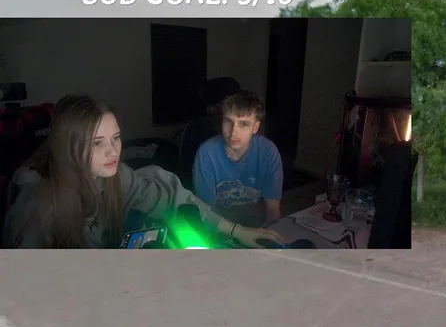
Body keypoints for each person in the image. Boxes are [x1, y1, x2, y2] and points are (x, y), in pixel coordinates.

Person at [1, 95, 281, 249]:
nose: (113, 151)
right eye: (97, 143)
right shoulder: (38, 206)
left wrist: (235, 230)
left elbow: (170, 197)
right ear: (68, 146)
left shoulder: (118, 176)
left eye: (116, 138)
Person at [193, 90, 284, 227]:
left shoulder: (268, 152)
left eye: (243, 124)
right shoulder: (207, 153)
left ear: (255, 127)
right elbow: (206, 212)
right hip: (220, 227)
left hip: (257, 226)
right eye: (228, 121)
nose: (233, 132)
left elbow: (273, 210)